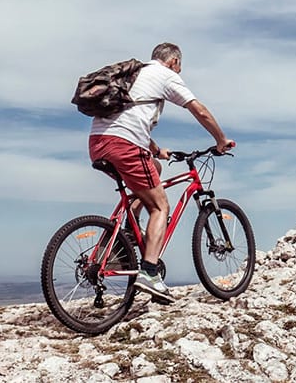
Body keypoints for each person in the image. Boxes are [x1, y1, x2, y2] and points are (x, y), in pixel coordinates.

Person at [88, 42, 234, 304]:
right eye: (180, 66)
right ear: (174, 62)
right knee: (160, 206)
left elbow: (128, 119)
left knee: (152, 170)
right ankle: (149, 273)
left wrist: (155, 149)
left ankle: (128, 235)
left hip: (99, 143)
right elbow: (198, 110)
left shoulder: (134, 75)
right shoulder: (165, 75)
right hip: (125, 146)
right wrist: (220, 139)